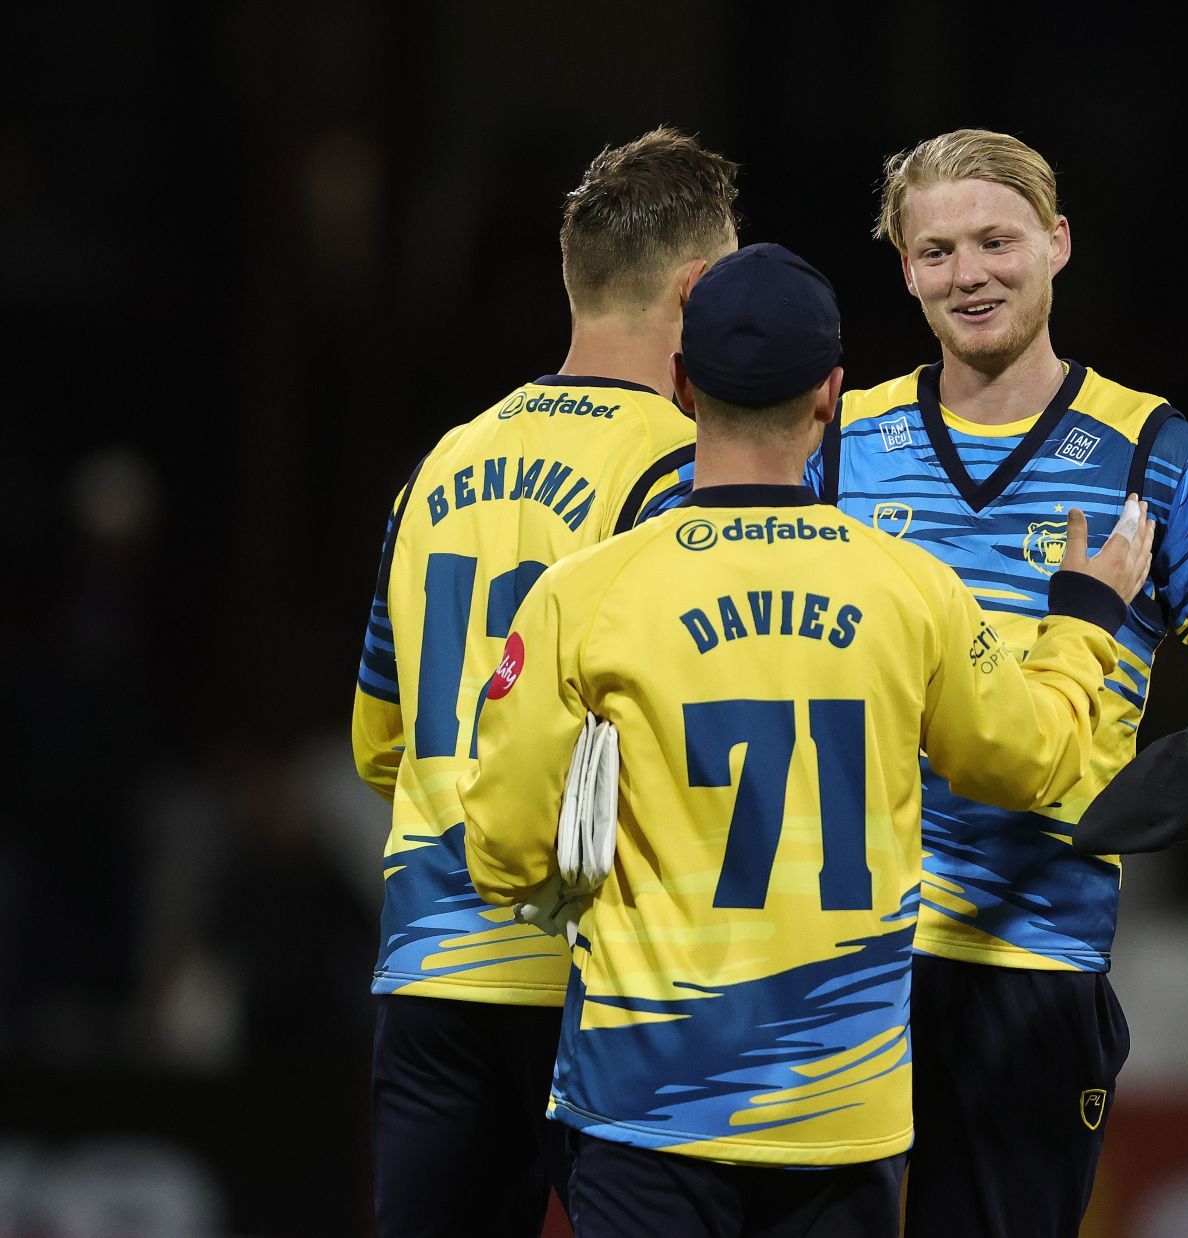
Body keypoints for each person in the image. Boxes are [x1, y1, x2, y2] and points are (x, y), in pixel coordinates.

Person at [457, 242, 1154, 1237]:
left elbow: (504, 849)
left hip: (645, 1098)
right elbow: (1032, 762)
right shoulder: (911, 589)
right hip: (841, 1111)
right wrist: (1083, 623)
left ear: (684, 384)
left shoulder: (586, 591)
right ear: (832, 392)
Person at [810, 128, 1188, 1236]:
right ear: (904, 267)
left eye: (997, 241)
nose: (969, 274)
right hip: (843, 949)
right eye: (937, 251)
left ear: (1058, 243)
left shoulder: (1154, 451)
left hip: (1036, 959)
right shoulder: (840, 443)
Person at [349, 127, 738, 1236]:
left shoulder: (438, 465)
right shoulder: (681, 470)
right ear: (700, 289)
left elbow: (381, 740)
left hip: (430, 973)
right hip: (600, 983)